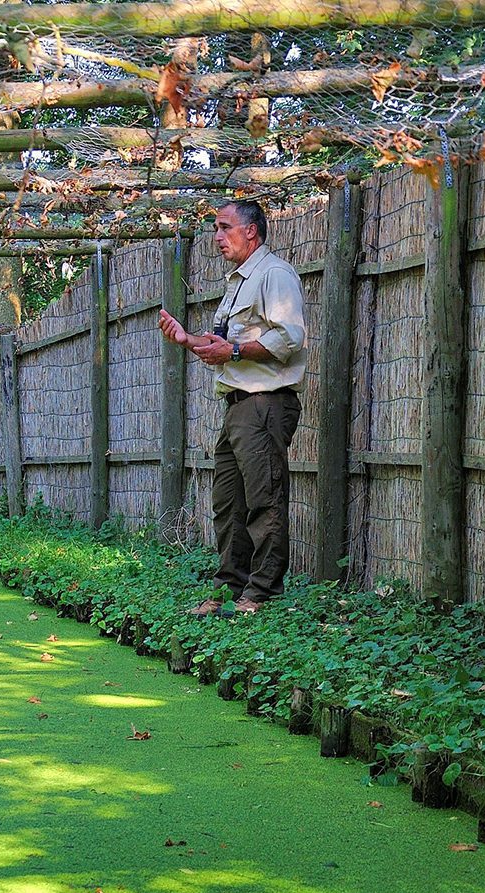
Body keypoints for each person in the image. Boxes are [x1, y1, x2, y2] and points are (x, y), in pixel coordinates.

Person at [159, 200, 307, 616]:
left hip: (265, 403)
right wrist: (189, 341)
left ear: (251, 232)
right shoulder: (240, 281)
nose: (217, 237)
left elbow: (289, 338)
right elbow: (227, 345)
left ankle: (261, 595)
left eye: (225, 228)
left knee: (264, 500)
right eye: (215, 229)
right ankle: (228, 590)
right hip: (238, 405)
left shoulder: (274, 274)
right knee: (229, 503)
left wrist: (236, 348)